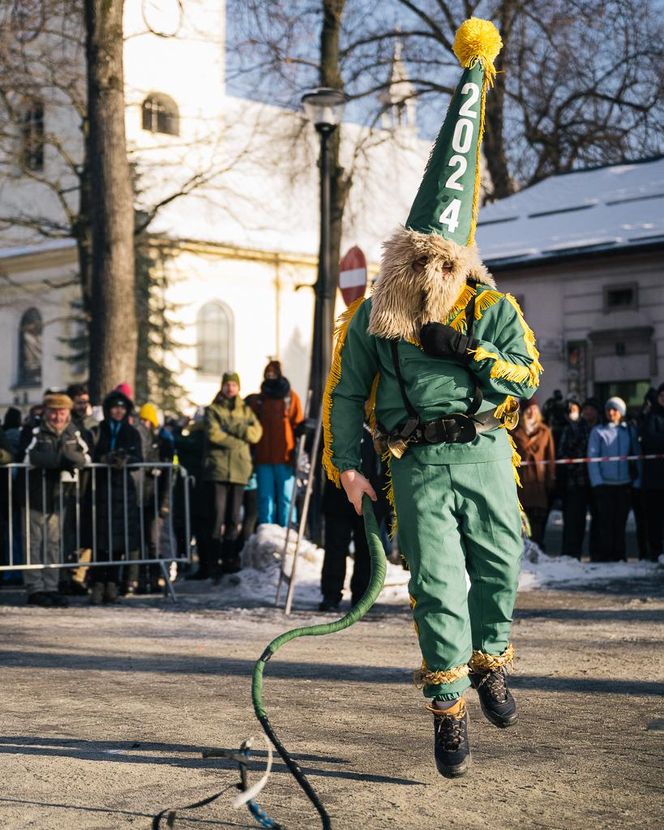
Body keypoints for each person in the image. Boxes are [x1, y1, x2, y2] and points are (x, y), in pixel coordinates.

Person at [323, 18, 542, 779]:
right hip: (415, 460)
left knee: (498, 562)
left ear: (456, 261)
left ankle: (490, 661)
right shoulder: (375, 317)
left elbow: (525, 376)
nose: (426, 277)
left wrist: (474, 353)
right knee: (438, 585)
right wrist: (346, 466)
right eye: (414, 262)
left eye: (438, 263)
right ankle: (449, 706)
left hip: (484, 451)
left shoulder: (491, 308)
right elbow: (346, 393)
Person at [19, 392, 90, 607]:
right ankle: (35, 587)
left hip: (59, 497)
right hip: (34, 496)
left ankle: (51, 585)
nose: (57, 417)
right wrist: (62, 460)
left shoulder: (73, 432)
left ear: (67, 413)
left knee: (53, 544)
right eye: (53, 413)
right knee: (33, 544)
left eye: (61, 413)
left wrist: (55, 460)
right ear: (46, 413)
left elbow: (84, 458)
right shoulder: (34, 431)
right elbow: (29, 457)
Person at [203, 372, 262, 576]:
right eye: (227, 384)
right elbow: (213, 434)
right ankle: (212, 561)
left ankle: (230, 558)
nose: (230, 388)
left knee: (233, 518)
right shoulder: (212, 409)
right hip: (217, 470)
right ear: (222, 386)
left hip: (239, 470)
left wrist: (232, 427)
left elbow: (256, 434)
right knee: (216, 517)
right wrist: (239, 441)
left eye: (233, 385)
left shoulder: (246, 410)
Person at [92, 389, 143, 603]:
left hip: (123, 490)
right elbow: (92, 453)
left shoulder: (131, 432)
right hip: (102, 488)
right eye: (115, 407)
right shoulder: (99, 430)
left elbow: (139, 457)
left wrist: (125, 459)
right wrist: (104, 458)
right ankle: (98, 582)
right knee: (101, 539)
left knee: (120, 539)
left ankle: (113, 581)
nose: (119, 411)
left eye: (122, 407)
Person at [249, 360, 304, 527]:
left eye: (274, 372)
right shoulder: (258, 400)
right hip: (263, 457)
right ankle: (267, 532)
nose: (270, 375)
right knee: (266, 498)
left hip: (285, 457)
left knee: (286, 498)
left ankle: (288, 531)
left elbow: (298, 422)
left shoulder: (290, 397)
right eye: (268, 372)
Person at [588, 397, 640, 562]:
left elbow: (636, 455)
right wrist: (597, 482)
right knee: (605, 522)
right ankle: (606, 555)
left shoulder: (629, 431)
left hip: (624, 484)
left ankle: (620, 555)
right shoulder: (598, 431)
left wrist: (637, 480)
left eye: (615, 410)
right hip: (605, 484)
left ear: (621, 413)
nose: (611, 413)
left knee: (620, 522)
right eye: (609, 409)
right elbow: (592, 457)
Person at [557, 398, 600, 558]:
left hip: (597, 482)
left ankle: (597, 554)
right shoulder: (573, 428)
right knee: (574, 522)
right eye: (586, 409)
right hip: (576, 482)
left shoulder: (601, 427)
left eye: (592, 409)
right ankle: (571, 555)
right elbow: (563, 453)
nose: (589, 412)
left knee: (598, 521)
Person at [511, 399, 555, 548]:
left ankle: (537, 548)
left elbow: (550, 458)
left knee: (538, 519)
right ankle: (523, 549)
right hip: (521, 482)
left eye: (535, 409)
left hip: (539, 483)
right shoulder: (515, 431)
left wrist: (551, 479)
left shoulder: (545, 431)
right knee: (522, 519)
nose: (532, 412)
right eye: (529, 409)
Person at [639, 382, 664, 561]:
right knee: (654, 518)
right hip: (654, 479)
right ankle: (655, 551)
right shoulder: (652, 417)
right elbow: (649, 440)